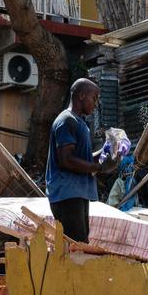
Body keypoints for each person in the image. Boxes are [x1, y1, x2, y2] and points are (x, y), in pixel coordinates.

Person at [45, 78, 119, 243]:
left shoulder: (80, 123)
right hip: (67, 195)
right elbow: (66, 160)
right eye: (94, 98)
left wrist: (108, 152)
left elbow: (82, 158)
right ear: (81, 95)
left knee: (78, 245)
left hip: (76, 194)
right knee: (77, 248)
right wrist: (99, 168)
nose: (96, 103)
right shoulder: (66, 120)